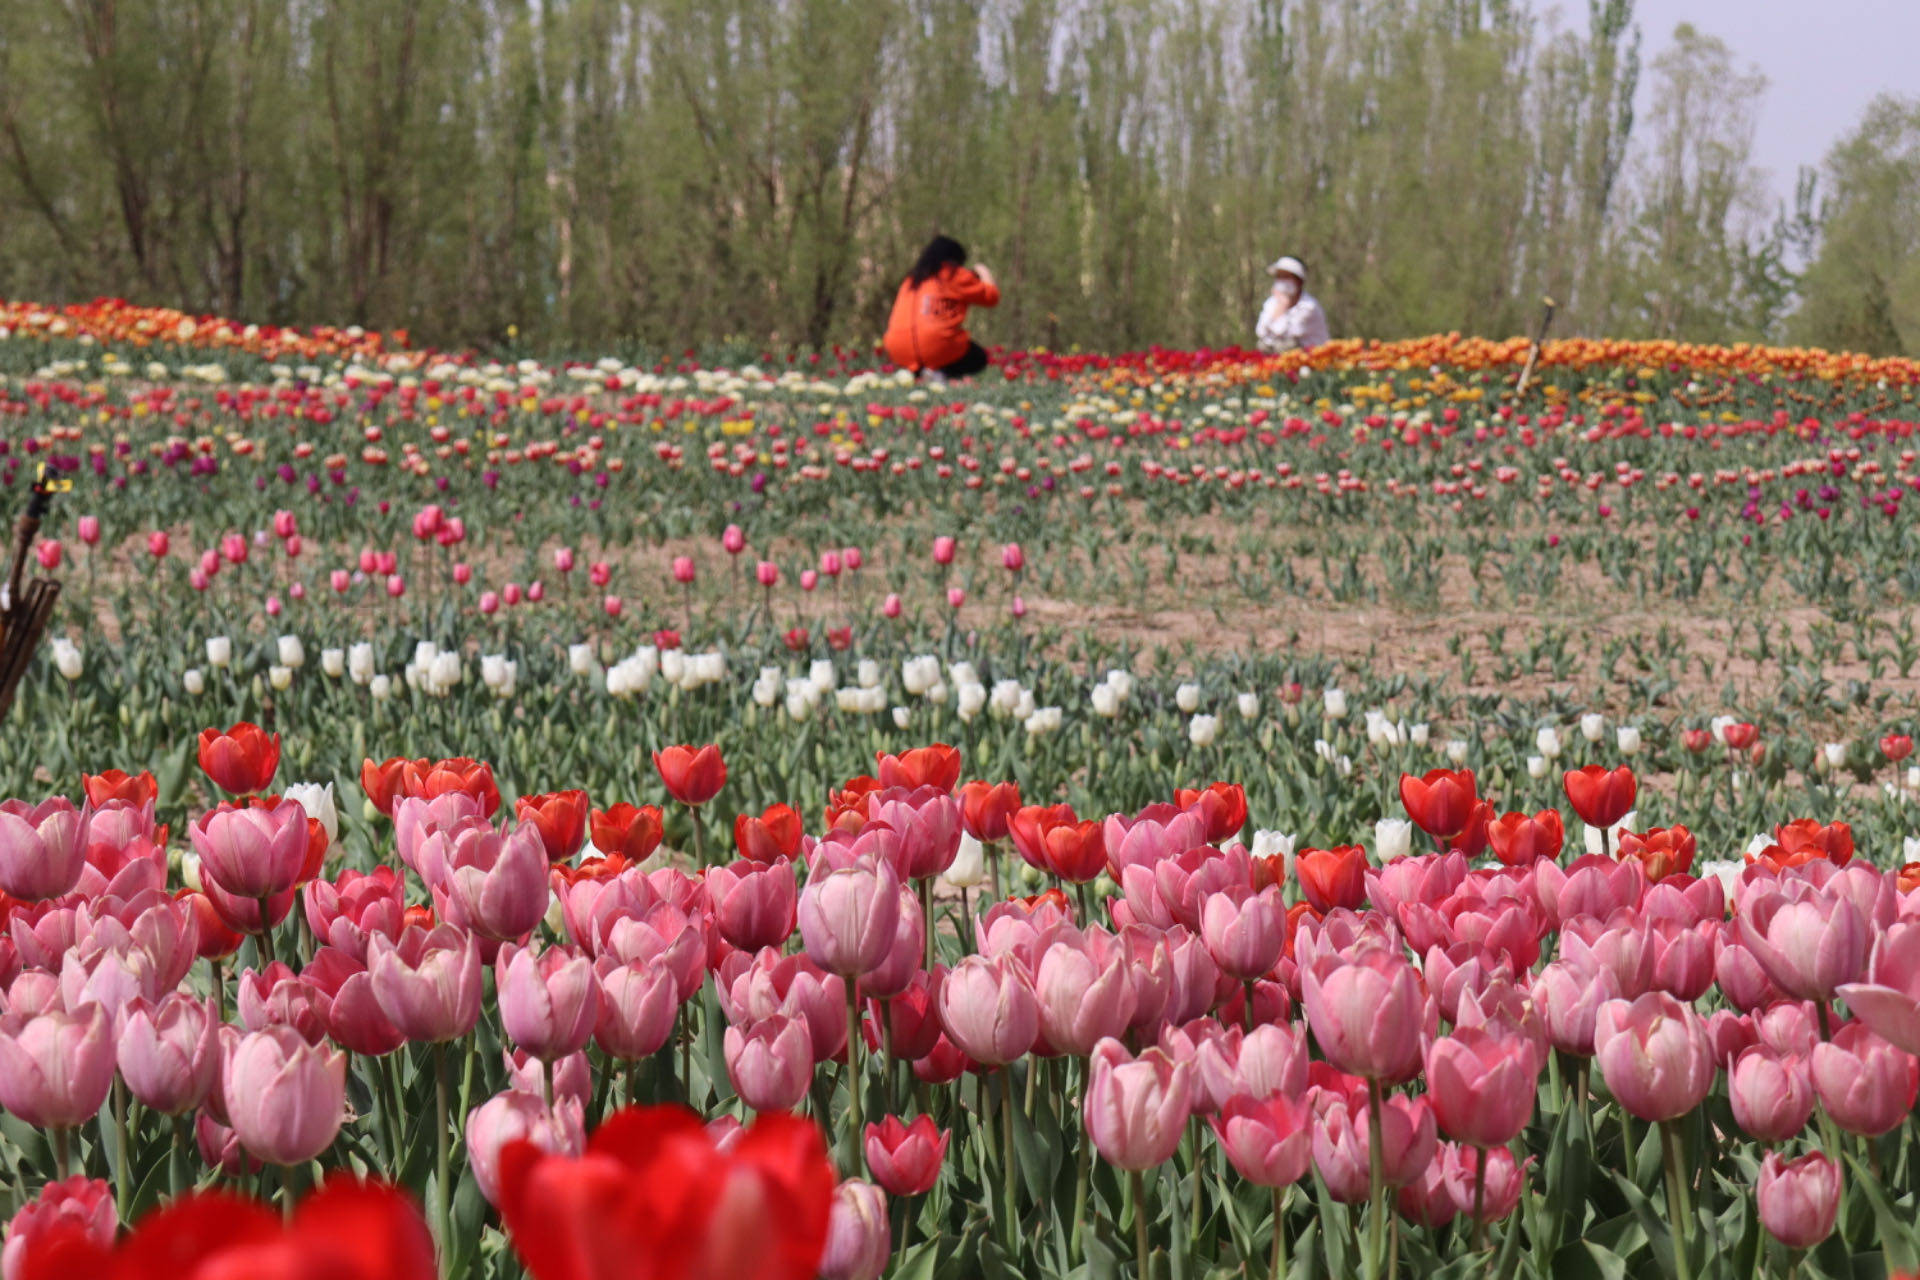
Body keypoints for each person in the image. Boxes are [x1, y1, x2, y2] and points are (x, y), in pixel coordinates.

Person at [884, 236, 1000, 382]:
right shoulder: (953, 274)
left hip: (898, 349)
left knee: (925, 351)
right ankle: (938, 376)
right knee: (978, 358)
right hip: (939, 348)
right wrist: (983, 272)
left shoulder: (911, 280)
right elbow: (991, 297)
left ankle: (921, 375)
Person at [1254, 255, 1329, 352]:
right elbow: (1261, 331)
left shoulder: (1309, 306)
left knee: (1287, 346)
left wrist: (1283, 305)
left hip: (1311, 358)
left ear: (1299, 281)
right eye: (1279, 277)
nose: (1281, 281)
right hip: (1282, 354)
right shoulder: (1271, 302)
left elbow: (1285, 333)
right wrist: (1281, 305)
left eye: (1286, 277)